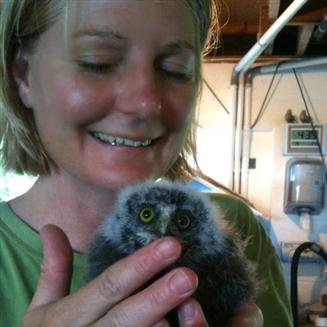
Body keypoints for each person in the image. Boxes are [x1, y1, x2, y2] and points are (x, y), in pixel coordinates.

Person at [0, 1, 292, 326]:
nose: (146, 102)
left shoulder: (234, 226)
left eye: (175, 69)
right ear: (24, 74)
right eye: (98, 62)